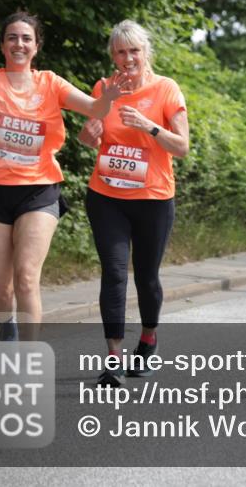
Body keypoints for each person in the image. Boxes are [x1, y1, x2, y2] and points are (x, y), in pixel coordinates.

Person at [0, 0, 129, 341]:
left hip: (38, 190)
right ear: (3, 46)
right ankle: (8, 328)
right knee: (0, 289)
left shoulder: (51, 83)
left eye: (26, 38)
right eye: (12, 38)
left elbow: (95, 108)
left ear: (36, 47)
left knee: (25, 277)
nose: (19, 44)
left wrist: (107, 99)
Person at [78, 20, 190, 387]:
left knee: (146, 276)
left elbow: (182, 147)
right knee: (113, 272)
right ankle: (113, 358)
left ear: (146, 52)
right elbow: (89, 138)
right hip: (107, 196)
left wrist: (149, 126)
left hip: (153, 198)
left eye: (134, 51)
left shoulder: (166, 89)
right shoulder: (103, 88)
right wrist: (88, 134)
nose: (128, 58)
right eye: (121, 52)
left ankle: (148, 338)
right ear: (113, 55)